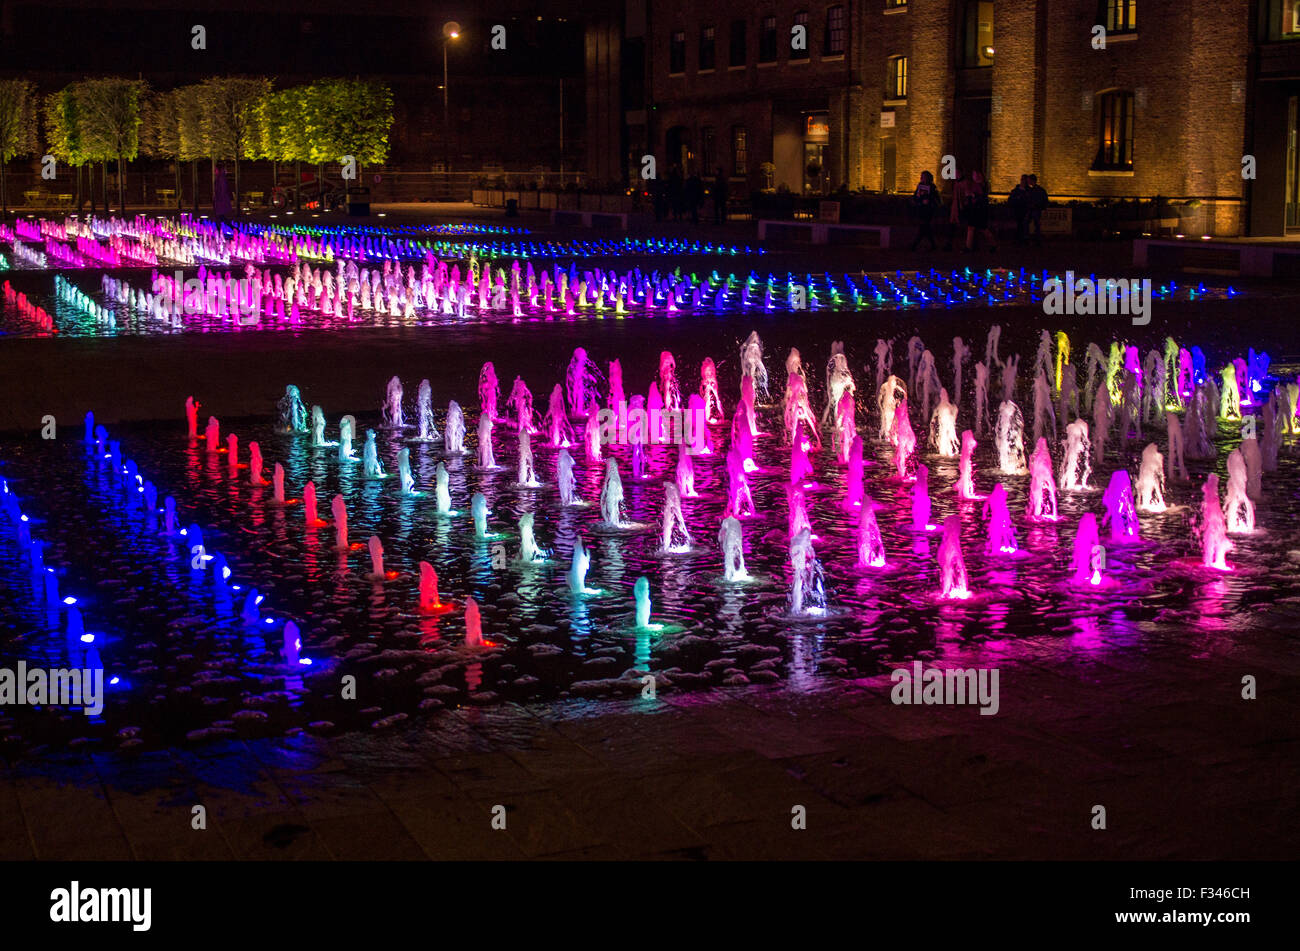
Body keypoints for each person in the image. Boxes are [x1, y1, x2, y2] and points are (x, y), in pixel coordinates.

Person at [960, 169, 997, 252]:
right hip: (975, 209)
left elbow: (982, 197)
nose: (974, 176)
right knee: (973, 227)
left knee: (982, 228)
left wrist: (972, 195)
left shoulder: (982, 185)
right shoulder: (976, 184)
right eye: (973, 175)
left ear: (979, 176)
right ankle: (969, 246)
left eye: (975, 175)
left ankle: (993, 245)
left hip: (979, 210)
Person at [910, 170, 940, 252]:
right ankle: (933, 245)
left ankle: (914, 245)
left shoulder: (932, 187)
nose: (921, 178)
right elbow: (916, 196)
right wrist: (919, 201)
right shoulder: (920, 185)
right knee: (925, 228)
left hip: (928, 210)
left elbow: (936, 199)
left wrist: (929, 201)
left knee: (923, 227)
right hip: (921, 209)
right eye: (921, 177)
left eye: (923, 177)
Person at [1009, 174, 1031, 244]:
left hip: (1025, 210)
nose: (1024, 182)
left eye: (1025, 180)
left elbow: (1030, 200)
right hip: (1018, 210)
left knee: (1024, 225)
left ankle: (1023, 239)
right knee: (1019, 225)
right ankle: (1019, 239)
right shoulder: (1016, 190)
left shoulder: (1028, 190)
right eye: (1023, 180)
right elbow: (1011, 199)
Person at [1027, 174, 1049, 246]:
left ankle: (1035, 240)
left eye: (1029, 180)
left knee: (1034, 225)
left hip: (1035, 209)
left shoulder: (1035, 190)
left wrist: (1036, 205)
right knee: (1036, 225)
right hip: (1035, 209)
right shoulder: (1039, 190)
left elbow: (1043, 200)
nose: (1028, 181)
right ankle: (1036, 240)